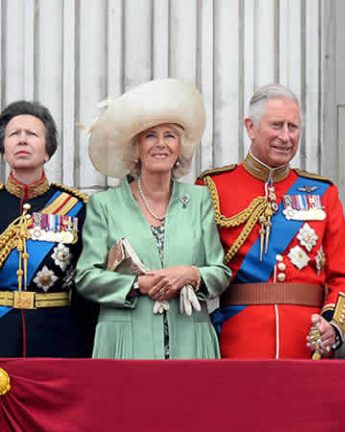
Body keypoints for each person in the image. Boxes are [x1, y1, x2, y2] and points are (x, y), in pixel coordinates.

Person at [198, 84, 345, 359]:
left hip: (307, 342)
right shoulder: (213, 187)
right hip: (238, 339)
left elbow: (343, 276)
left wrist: (333, 324)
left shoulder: (322, 192)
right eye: (276, 126)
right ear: (250, 127)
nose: (286, 137)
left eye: (293, 127)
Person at [76, 78, 231, 359]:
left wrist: (192, 274)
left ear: (180, 147)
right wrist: (137, 285)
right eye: (150, 136)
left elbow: (220, 273)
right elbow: (86, 277)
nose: (161, 144)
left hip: (190, 341)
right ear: (134, 148)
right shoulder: (105, 205)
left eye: (170, 135)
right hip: (125, 343)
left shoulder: (199, 200)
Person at [0, 100, 95, 357]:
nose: (22, 140)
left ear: (47, 150)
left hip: (58, 339)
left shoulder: (77, 207)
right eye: (13, 135)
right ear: (4, 148)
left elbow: (87, 286)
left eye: (31, 134)